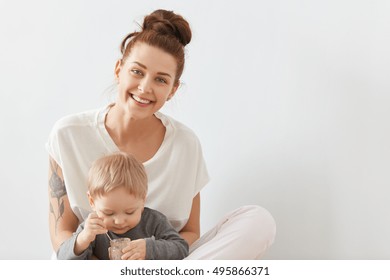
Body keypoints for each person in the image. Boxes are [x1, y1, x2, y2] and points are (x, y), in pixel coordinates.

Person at [46, 9, 276, 259]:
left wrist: (151, 253)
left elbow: (189, 233)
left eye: (161, 80)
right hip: (89, 264)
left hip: (166, 264)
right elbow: (62, 233)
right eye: (137, 72)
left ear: (173, 89)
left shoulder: (185, 145)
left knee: (258, 220)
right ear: (118, 69)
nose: (145, 88)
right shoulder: (68, 134)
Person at [56, 152, 188, 260]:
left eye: (130, 212)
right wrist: (82, 240)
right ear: (92, 201)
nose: (119, 221)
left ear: (143, 200)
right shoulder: (92, 228)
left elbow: (181, 248)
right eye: (108, 213)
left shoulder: (154, 221)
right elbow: (62, 258)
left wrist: (149, 249)